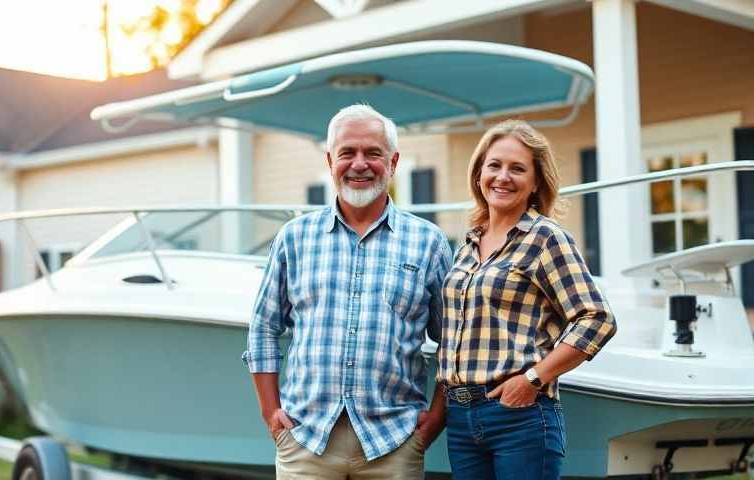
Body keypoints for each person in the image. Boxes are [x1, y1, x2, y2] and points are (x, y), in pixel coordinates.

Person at [243, 104, 452, 479]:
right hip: (304, 441)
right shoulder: (294, 238)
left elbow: (454, 341)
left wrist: (435, 420)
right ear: (329, 160)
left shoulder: (429, 242)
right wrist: (270, 413)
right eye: (347, 153)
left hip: (395, 444)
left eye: (373, 153)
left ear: (393, 162)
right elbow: (262, 328)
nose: (360, 164)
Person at [439, 119, 617, 479]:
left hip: (520, 418)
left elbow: (596, 319)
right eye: (494, 166)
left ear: (535, 182)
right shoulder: (467, 247)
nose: (503, 176)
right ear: (479, 175)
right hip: (461, 418)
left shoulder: (546, 239)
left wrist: (534, 378)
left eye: (517, 169)